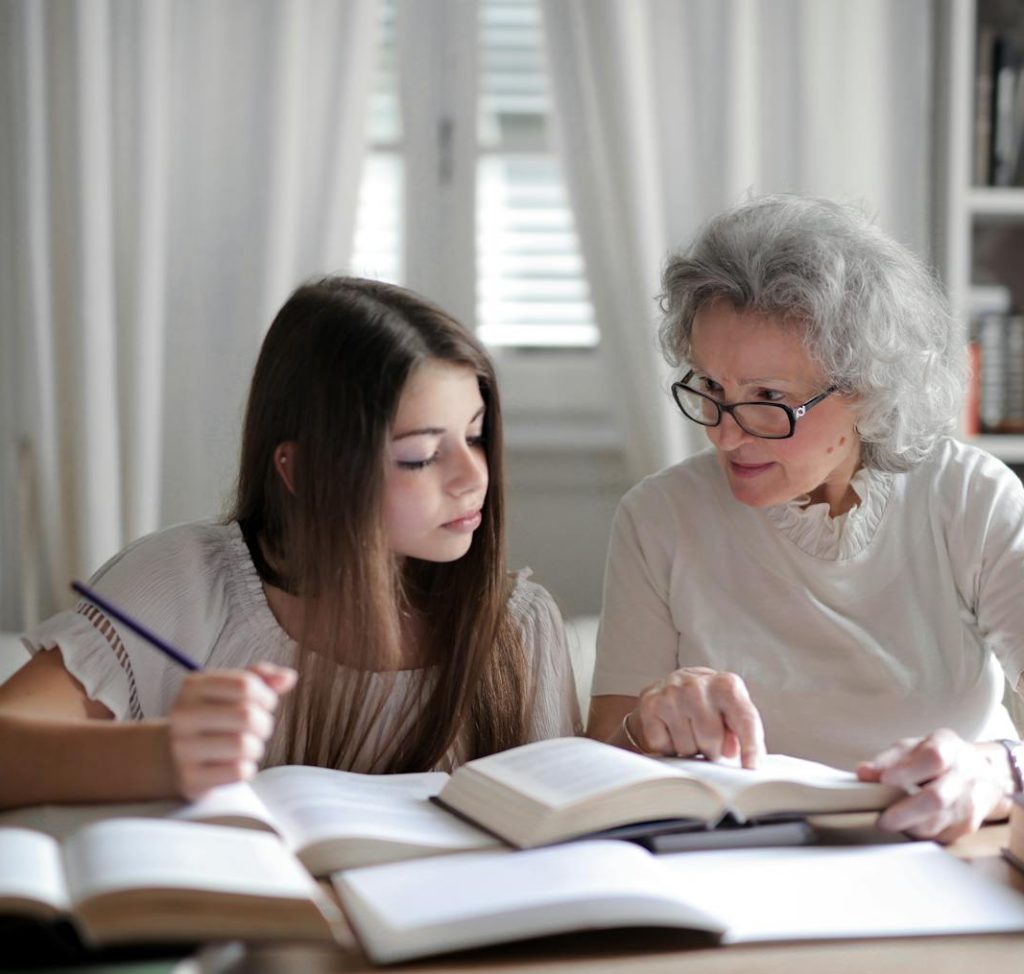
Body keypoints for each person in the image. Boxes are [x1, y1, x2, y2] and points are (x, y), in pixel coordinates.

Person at [0, 276, 580, 808]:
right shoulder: (185, 582)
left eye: (476, 437)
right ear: (301, 472)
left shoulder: (518, 629)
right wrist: (161, 753)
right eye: (420, 456)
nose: (473, 476)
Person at [587, 194, 1024, 842]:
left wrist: (993, 769)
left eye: (769, 399)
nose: (726, 438)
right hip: (740, 866)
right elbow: (594, 768)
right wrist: (646, 725)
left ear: (869, 388)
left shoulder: (971, 500)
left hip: (946, 855)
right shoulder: (659, 519)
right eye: (711, 388)